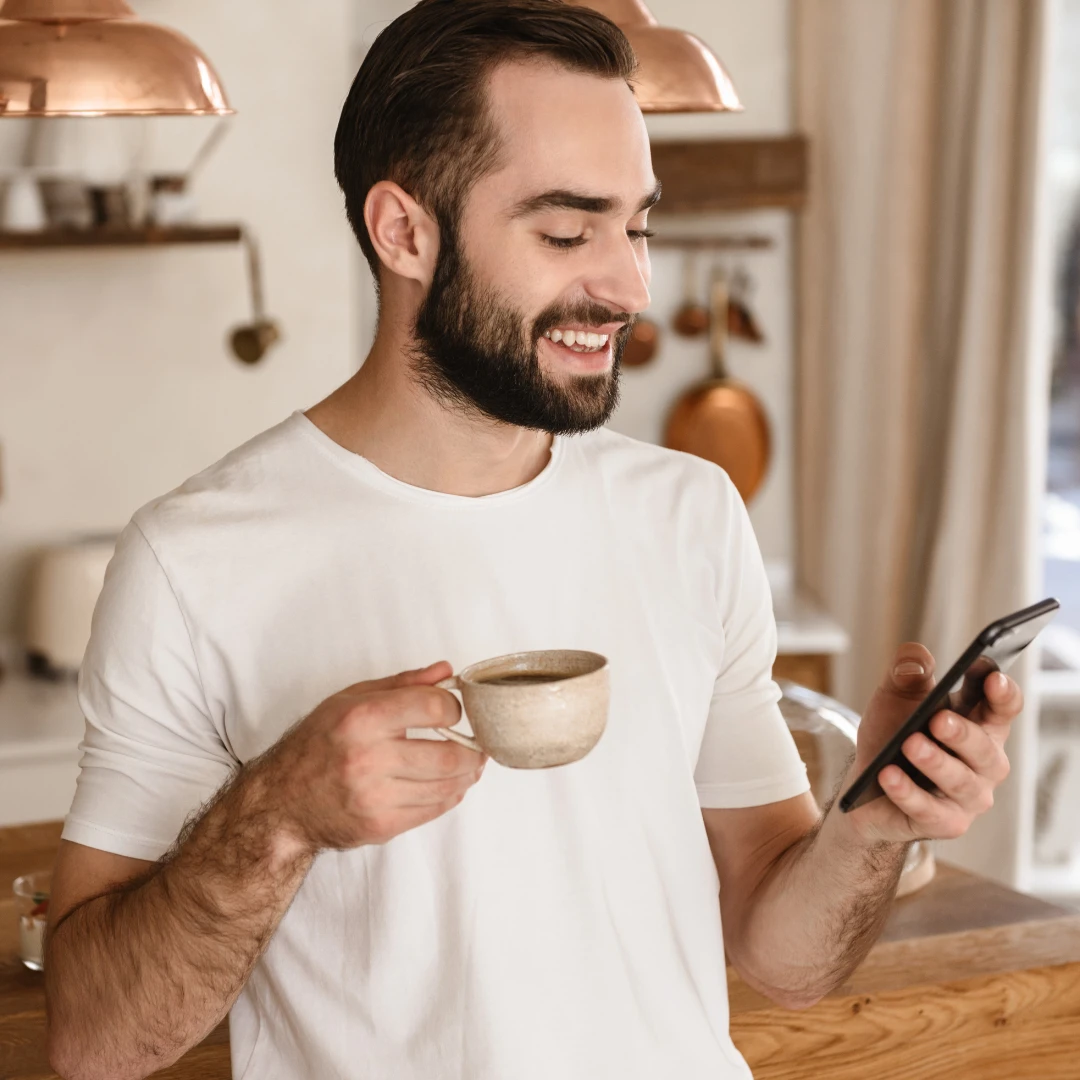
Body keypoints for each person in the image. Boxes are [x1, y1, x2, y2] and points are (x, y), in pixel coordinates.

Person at [42, 2, 1021, 1078]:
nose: (629, 287)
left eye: (637, 226)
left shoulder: (690, 516)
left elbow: (780, 958)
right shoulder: (195, 560)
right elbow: (95, 1043)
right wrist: (279, 816)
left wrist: (873, 826)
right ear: (403, 231)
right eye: (567, 233)